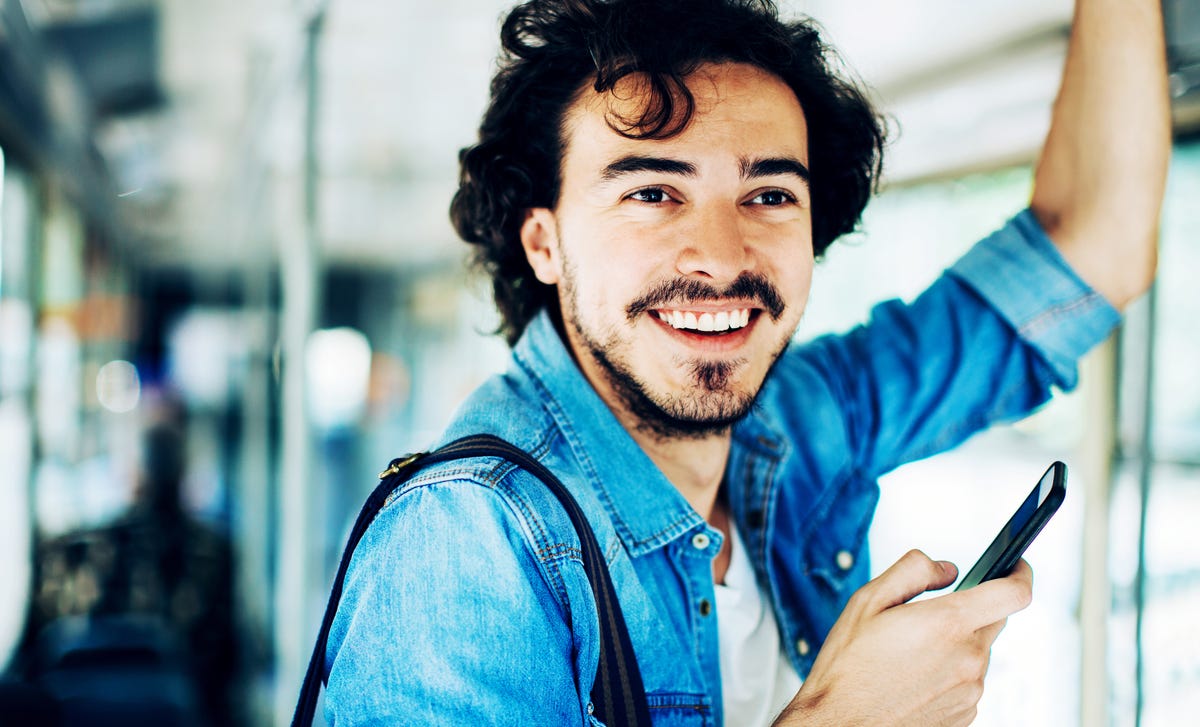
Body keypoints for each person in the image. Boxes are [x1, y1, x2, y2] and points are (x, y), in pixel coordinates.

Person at [324, 0, 1169, 724]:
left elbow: (1090, 248)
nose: (723, 255)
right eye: (652, 193)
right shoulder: (467, 537)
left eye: (768, 195)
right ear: (545, 243)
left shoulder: (802, 416)